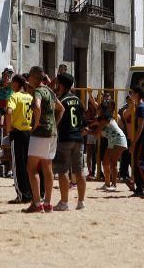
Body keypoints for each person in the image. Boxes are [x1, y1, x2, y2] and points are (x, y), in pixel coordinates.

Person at [23, 65, 64, 213]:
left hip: (40, 134)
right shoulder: (50, 91)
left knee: (31, 167)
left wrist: (35, 124)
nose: (28, 79)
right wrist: (54, 124)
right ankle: (47, 203)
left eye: (29, 77)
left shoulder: (38, 91)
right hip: (52, 134)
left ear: (34, 77)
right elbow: (61, 109)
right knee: (48, 168)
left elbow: (37, 107)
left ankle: (36, 203)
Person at [53, 72, 86, 210]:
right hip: (78, 138)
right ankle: (81, 202)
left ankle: (64, 202)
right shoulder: (78, 100)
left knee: (63, 170)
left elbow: (56, 119)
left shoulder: (61, 100)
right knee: (79, 171)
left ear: (61, 85)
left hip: (65, 138)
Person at [5, 73, 33, 203]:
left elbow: (9, 111)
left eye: (12, 82)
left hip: (17, 132)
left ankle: (22, 194)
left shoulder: (14, 96)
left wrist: (8, 128)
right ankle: (29, 192)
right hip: (28, 132)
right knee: (28, 164)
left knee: (17, 165)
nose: (11, 84)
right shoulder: (29, 97)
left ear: (16, 83)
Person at [97, 113, 127, 191]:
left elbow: (95, 132)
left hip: (119, 140)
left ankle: (114, 185)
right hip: (112, 142)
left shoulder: (108, 121)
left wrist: (86, 131)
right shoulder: (102, 122)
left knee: (113, 163)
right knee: (105, 162)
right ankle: (107, 183)